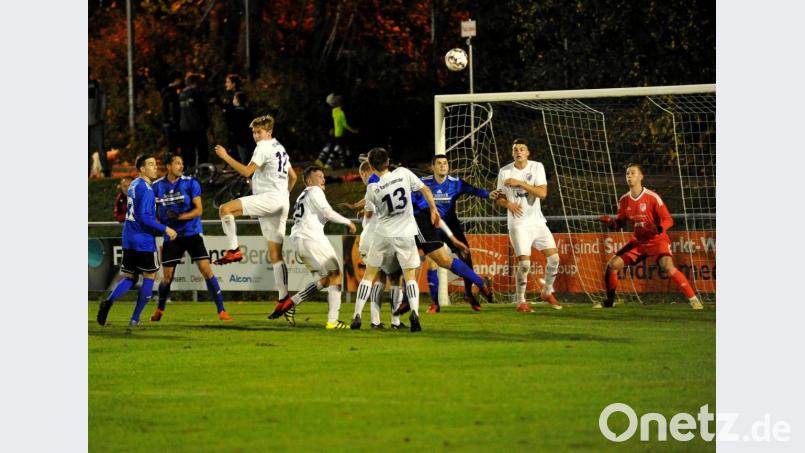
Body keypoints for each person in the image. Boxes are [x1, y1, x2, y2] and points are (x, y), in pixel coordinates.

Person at [212, 114, 298, 318]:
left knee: (225, 209)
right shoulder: (280, 147)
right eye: (253, 132)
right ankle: (284, 298)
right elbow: (293, 177)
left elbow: (246, 172)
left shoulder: (264, 147)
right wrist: (283, 196)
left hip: (269, 199)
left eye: (259, 132)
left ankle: (233, 250)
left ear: (269, 132)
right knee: (276, 255)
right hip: (281, 202)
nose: (256, 136)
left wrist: (225, 157)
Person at [350, 147, 438, 332]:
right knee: (409, 276)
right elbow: (426, 189)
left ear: (372, 167)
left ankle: (357, 315)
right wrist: (433, 210)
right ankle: (414, 312)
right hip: (405, 233)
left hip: (382, 235)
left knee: (370, 275)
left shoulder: (373, 188)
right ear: (388, 161)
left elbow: (370, 208)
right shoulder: (404, 173)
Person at [599, 164, 704, 309]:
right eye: (627, 173)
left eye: (633, 173)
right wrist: (611, 222)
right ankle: (609, 302)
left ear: (641, 177)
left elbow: (668, 220)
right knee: (612, 265)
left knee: (667, 266)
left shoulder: (652, 197)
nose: (629, 176)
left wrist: (658, 228)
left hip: (656, 240)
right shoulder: (624, 200)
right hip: (638, 243)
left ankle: (693, 300)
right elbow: (619, 224)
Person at [96, 155, 178, 327]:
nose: (155, 167)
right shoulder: (147, 189)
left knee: (130, 277)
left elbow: (138, 209)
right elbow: (144, 217)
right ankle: (134, 319)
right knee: (150, 276)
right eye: (150, 165)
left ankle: (108, 302)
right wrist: (166, 229)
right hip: (143, 240)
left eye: (155, 165)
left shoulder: (133, 185)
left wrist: (151, 203)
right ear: (142, 169)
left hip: (129, 237)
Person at [151, 153, 231, 321]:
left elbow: (199, 210)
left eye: (182, 163)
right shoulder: (157, 186)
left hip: (192, 233)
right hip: (172, 237)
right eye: (177, 163)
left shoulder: (190, 183)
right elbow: (154, 212)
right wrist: (160, 222)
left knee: (206, 271)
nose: (181, 166)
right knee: (167, 277)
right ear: (168, 166)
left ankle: (222, 310)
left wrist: (179, 217)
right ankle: (160, 309)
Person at [416, 154, 500, 313]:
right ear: (432, 167)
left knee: (466, 256)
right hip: (432, 227)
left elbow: (473, 190)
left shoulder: (456, 183)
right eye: (439, 163)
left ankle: (468, 293)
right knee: (433, 263)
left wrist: (488, 194)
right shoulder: (424, 184)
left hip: (451, 226)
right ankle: (435, 303)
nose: (443, 166)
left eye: (445, 163)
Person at [278, 166, 356, 329]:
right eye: (319, 176)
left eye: (323, 176)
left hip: (300, 240)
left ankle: (291, 303)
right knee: (336, 276)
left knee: (326, 279)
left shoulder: (302, 195)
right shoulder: (314, 191)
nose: (323, 179)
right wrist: (347, 221)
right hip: (312, 238)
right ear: (309, 181)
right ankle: (333, 321)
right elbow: (327, 212)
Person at [493, 138, 563, 313]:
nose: (518, 152)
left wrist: (521, 183)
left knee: (554, 259)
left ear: (527, 152)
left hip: (537, 221)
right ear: (512, 153)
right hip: (518, 224)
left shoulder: (536, 167)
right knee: (524, 264)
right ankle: (521, 301)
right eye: (515, 149)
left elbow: (542, 193)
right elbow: (499, 197)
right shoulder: (504, 172)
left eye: (522, 149)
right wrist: (507, 204)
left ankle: (547, 292)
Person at [316, 93, 358, 169]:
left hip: (335, 131)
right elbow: (336, 122)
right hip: (336, 132)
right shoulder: (335, 111)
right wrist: (352, 130)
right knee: (335, 146)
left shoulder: (333, 111)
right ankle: (325, 161)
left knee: (339, 147)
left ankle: (343, 163)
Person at [179, 73, 210, 168]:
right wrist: (207, 123)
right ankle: (203, 171)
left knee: (189, 151)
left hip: (184, 127)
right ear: (195, 82)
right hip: (198, 127)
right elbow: (204, 110)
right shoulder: (198, 94)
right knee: (202, 151)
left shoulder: (181, 95)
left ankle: (189, 170)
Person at [223, 92, 255, 164]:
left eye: (234, 99)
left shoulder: (235, 113)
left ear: (237, 100)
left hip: (240, 140)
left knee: (243, 159)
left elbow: (232, 126)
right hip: (248, 138)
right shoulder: (248, 112)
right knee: (247, 157)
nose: (233, 100)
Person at [89, 68, 109, 177]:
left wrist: (101, 115)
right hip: (94, 119)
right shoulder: (95, 86)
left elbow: (102, 101)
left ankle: (105, 170)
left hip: (96, 121)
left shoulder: (95, 86)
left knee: (101, 146)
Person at [160, 70, 183, 155]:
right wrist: (173, 122)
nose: (181, 81)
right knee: (173, 148)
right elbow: (171, 110)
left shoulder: (168, 92)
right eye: (180, 79)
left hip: (169, 123)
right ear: (176, 80)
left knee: (172, 147)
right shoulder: (171, 93)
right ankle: (172, 165)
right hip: (171, 124)